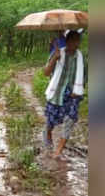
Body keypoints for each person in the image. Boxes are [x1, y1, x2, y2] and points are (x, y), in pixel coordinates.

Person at [42, 31, 85, 159]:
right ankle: (48, 132)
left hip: (72, 95)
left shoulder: (80, 58)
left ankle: (58, 151)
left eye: (78, 41)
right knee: (51, 120)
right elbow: (46, 72)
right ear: (67, 41)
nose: (76, 44)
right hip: (57, 93)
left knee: (70, 120)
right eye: (73, 41)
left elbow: (84, 76)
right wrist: (54, 58)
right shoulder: (58, 53)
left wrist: (78, 89)